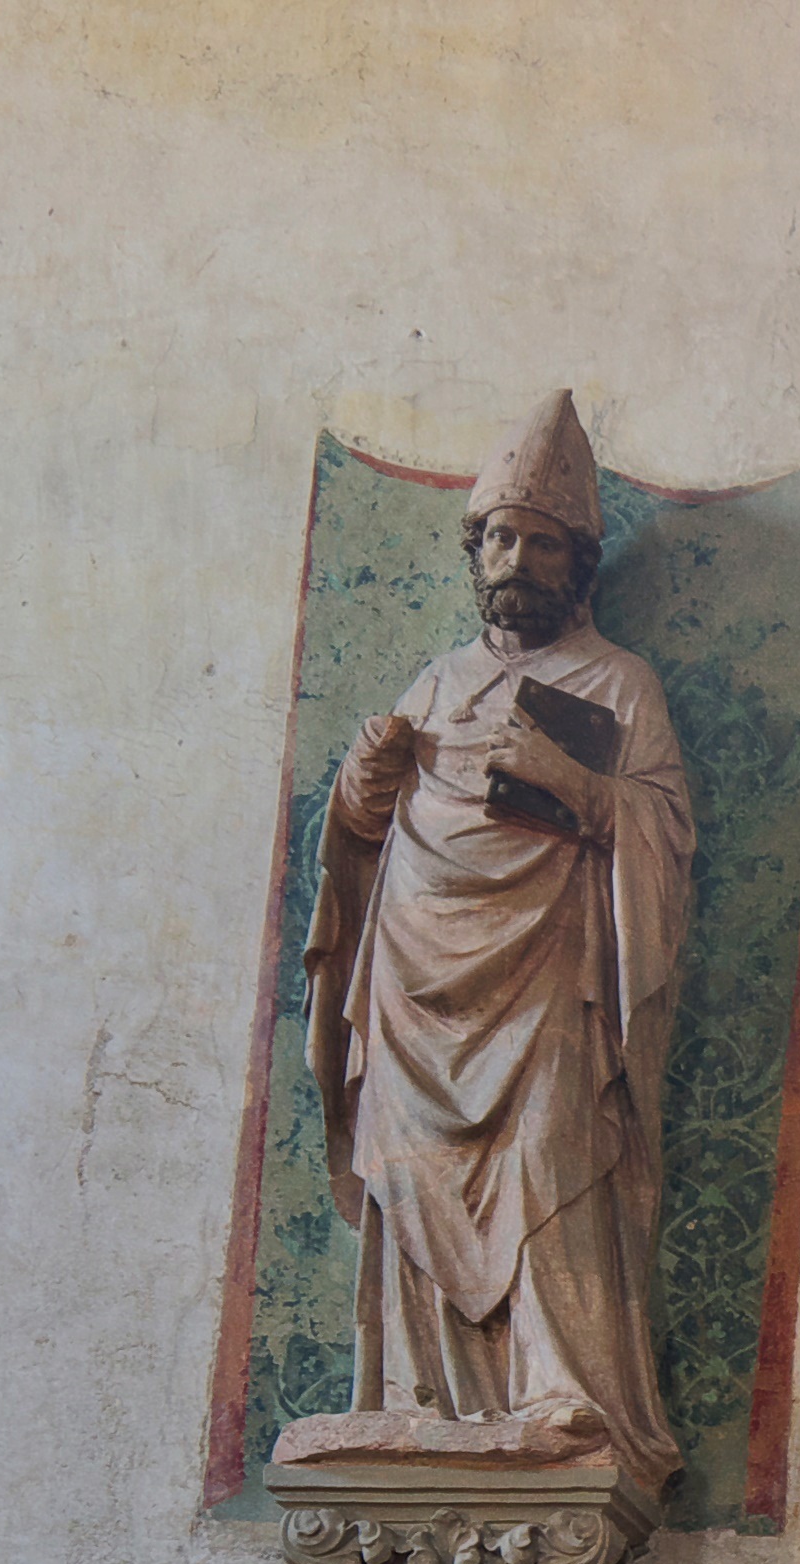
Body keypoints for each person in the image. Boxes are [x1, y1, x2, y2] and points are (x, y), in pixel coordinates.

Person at [301, 389, 698, 1490]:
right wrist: (360, 795)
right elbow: (365, 841)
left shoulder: (618, 682)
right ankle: (416, 1397)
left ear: (580, 563)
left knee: (552, 1153)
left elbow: (660, 831)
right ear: (475, 551)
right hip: (416, 982)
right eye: (501, 537)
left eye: (543, 540)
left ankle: (561, 1388)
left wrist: (583, 790)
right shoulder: (434, 681)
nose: (518, 556)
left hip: (547, 984)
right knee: (411, 1161)